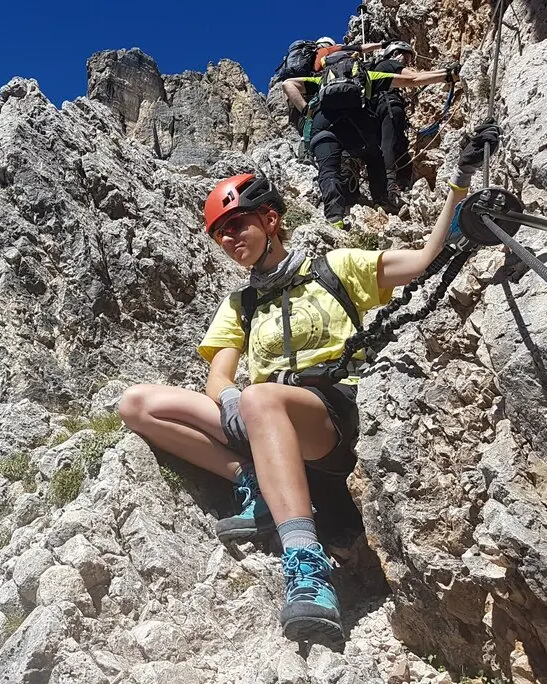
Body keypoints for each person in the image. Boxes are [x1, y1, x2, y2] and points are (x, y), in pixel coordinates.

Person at [117, 122, 501, 643]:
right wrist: (228, 398)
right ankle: (253, 483)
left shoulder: (334, 268)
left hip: (329, 415)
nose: (230, 239)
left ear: (270, 219)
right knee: (138, 404)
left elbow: (423, 260)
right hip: (261, 413)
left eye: (237, 224)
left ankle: (307, 567)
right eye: (221, 233)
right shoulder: (241, 303)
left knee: (260, 396)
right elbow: (219, 375)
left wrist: (459, 182)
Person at [282, 61, 460, 228]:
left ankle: (334, 218)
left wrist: (306, 110)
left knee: (328, 170)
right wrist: (447, 75)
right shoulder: (368, 76)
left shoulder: (321, 80)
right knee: (375, 157)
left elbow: (287, 84)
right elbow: (412, 79)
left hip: (323, 126)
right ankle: (381, 199)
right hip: (357, 128)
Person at [370, 41, 420, 204]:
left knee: (399, 143)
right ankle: (390, 186)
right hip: (389, 105)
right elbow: (412, 76)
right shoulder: (388, 64)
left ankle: (401, 182)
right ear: (394, 54)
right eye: (404, 57)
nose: (405, 61)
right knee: (390, 143)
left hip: (381, 109)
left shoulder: (378, 69)